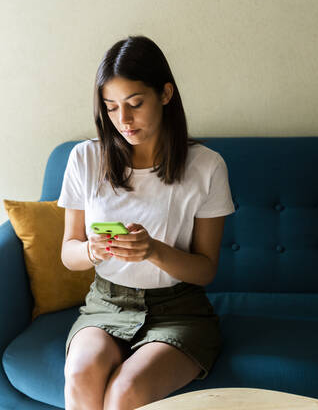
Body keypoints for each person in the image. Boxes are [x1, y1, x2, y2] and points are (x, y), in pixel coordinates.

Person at [57, 35, 235, 410]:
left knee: (125, 392)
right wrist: (91, 249)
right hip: (106, 301)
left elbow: (205, 271)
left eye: (135, 104)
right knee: (80, 375)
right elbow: (69, 254)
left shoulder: (207, 166)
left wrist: (153, 250)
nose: (124, 120)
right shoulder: (85, 159)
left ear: (165, 94)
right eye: (112, 107)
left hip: (179, 310)